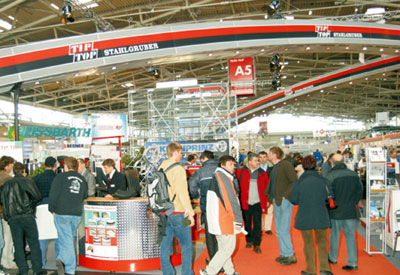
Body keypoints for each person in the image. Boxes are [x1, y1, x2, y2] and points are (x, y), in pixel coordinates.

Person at [289, 156, 334, 275]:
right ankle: (325, 268)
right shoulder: (324, 181)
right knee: (322, 242)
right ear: (315, 166)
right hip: (321, 214)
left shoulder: (299, 183)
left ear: (303, 166)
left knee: (308, 244)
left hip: (305, 215)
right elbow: (330, 197)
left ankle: (311, 269)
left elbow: (294, 200)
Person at [200, 155, 242, 275]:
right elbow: (231, 202)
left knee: (224, 248)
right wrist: (238, 220)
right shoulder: (223, 178)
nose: (233, 167)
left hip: (218, 219)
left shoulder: (218, 177)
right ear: (222, 165)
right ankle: (209, 271)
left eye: (233, 164)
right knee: (228, 248)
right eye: (230, 164)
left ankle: (230, 271)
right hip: (225, 220)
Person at [0, 162, 44, 275]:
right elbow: (38, 196)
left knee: (18, 245)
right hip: (28, 216)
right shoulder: (29, 181)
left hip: (13, 219)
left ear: (14, 171)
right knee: (34, 243)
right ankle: (37, 269)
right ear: (24, 171)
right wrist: (30, 205)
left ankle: (23, 270)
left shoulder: (7, 185)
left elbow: (3, 201)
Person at [159, 142, 195, 275]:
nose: (181, 156)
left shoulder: (160, 168)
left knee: (165, 247)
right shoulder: (178, 169)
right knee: (186, 246)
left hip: (164, 214)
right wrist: (190, 213)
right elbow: (182, 193)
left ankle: (168, 273)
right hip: (179, 214)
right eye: (180, 153)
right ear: (175, 153)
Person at [49, 157, 88, 275]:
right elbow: (84, 195)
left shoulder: (60, 177)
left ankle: (70, 269)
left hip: (62, 213)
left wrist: (52, 209)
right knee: (67, 239)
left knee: (66, 242)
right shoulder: (82, 179)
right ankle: (61, 258)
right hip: (76, 214)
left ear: (66, 166)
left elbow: (53, 195)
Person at [327, 154, 363, 271]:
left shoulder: (330, 176)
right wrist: (355, 202)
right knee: (351, 237)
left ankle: (332, 257)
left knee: (334, 236)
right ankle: (353, 262)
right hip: (350, 210)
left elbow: (328, 194)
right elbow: (359, 191)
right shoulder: (353, 175)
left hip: (336, 210)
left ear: (332, 163)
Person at [265, 146, 297, 265]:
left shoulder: (285, 165)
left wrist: (285, 196)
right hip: (277, 200)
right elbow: (272, 184)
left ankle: (289, 255)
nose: (268, 155)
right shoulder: (275, 167)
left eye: (270, 153)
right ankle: (284, 253)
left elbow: (293, 181)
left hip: (284, 201)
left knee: (283, 229)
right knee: (279, 230)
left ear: (275, 154)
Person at [189, 150, 219, 263]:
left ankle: (213, 259)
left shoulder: (200, 172)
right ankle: (221, 259)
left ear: (203, 159)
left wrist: (196, 195)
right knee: (222, 234)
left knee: (210, 233)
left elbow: (191, 186)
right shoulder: (222, 168)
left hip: (208, 206)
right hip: (223, 206)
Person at [236, 152, 269, 253]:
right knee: (247, 223)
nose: (258, 162)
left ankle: (257, 244)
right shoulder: (240, 172)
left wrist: (267, 200)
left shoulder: (263, 173)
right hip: (245, 203)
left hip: (258, 203)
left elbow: (267, 188)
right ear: (249, 162)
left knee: (258, 224)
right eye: (255, 160)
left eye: (258, 160)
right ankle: (249, 240)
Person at [33, 156, 58, 269]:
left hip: (40, 209)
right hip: (54, 209)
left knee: (41, 238)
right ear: (55, 166)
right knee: (57, 236)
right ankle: (59, 262)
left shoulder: (36, 178)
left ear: (44, 165)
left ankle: (41, 264)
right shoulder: (58, 178)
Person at [0, 156, 16, 271]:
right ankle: (7, 261)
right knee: (8, 236)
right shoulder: (8, 178)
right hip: (5, 211)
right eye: (11, 165)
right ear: (8, 165)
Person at [259, 151, 274, 235]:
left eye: (264, 157)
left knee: (269, 210)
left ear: (267, 158)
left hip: (269, 192)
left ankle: (268, 228)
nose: (262, 159)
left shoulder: (271, 169)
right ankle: (260, 227)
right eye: (260, 157)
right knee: (259, 211)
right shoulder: (256, 169)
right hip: (259, 192)